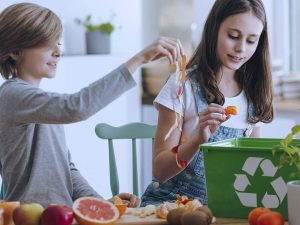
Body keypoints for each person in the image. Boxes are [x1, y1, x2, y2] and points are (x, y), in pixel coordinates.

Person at [0, 3, 184, 207]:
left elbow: (66, 170)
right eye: (46, 44)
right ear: (15, 51)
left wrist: (100, 203)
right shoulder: (12, 95)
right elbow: (76, 107)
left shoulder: (39, 103)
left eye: (58, 43)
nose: (57, 52)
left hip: (62, 215)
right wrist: (139, 59)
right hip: (29, 217)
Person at [141, 0, 273, 206]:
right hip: (169, 207)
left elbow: (252, 167)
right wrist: (197, 139)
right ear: (214, 29)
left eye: (251, 40)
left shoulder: (253, 94)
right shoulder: (182, 87)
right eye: (233, 36)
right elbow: (160, 171)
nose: (240, 48)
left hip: (222, 210)